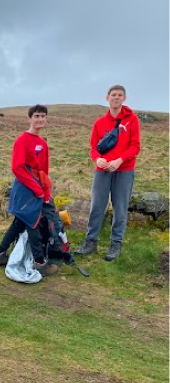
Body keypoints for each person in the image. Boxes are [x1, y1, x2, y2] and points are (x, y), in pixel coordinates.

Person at [0, 104, 59, 277]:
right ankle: (40, 263)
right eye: (36, 116)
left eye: (43, 116)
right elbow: (17, 168)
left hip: (37, 189)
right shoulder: (22, 140)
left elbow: (44, 171)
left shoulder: (43, 144)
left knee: (20, 223)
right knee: (32, 222)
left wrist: (46, 192)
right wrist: (36, 189)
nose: (40, 119)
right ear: (29, 119)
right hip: (25, 189)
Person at [75, 85, 141, 261]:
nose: (116, 98)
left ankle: (115, 245)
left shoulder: (132, 120)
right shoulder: (99, 123)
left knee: (120, 209)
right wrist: (98, 160)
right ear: (107, 98)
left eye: (120, 95)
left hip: (124, 171)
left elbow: (135, 146)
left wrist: (120, 161)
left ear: (124, 99)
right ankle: (90, 243)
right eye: (113, 95)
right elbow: (93, 148)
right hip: (102, 171)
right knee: (97, 207)